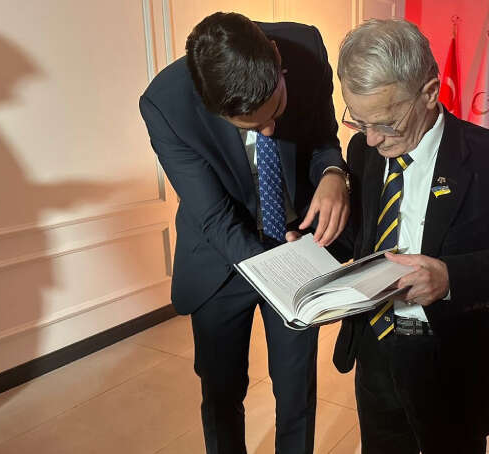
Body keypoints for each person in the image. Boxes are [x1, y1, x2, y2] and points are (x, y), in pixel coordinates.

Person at [332, 19, 489, 453]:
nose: (372, 139)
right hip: (375, 346)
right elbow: (367, 233)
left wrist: (450, 278)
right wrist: (315, 240)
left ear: (429, 92)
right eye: (358, 122)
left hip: (455, 359)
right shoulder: (363, 150)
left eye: (386, 123)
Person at [139, 12, 350, 454]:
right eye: (252, 127)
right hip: (220, 258)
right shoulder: (165, 104)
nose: (270, 130)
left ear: (276, 58)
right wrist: (273, 263)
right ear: (211, 106)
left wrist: (334, 172)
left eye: (276, 110)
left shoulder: (306, 50)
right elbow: (214, 217)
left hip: (296, 243)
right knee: (222, 393)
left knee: (296, 392)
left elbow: (322, 137)